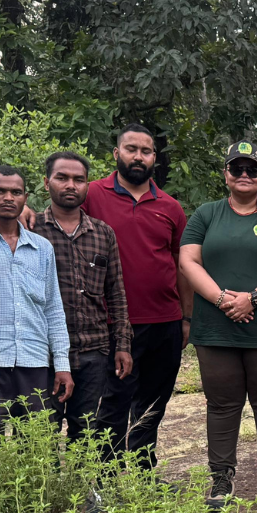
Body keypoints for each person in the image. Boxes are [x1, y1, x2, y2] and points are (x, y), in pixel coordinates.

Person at [179, 143, 257, 510]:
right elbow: (189, 261)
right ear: (226, 175)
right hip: (217, 330)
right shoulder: (206, 215)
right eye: (237, 169)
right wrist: (223, 300)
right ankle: (221, 478)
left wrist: (251, 299)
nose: (244, 175)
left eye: (252, 170)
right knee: (221, 405)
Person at [83, 125, 190, 467]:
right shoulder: (92, 195)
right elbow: (58, 219)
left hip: (165, 321)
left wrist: (186, 318)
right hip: (112, 323)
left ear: (154, 159)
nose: (138, 156)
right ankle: (107, 475)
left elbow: (182, 263)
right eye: (131, 149)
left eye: (146, 151)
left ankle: (143, 474)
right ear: (117, 154)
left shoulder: (170, 207)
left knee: (153, 402)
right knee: (113, 402)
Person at [0, 166, 74, 424]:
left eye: (16, 192)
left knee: (37, 446)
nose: (9, 197)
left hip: (36, 360)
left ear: (25, 198)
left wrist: (62, 363)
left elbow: (53, 307)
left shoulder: (42, 248)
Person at [28, 151, 133, 443]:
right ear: (46, 182)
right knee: (41, 433)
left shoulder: (102, 234)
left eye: (79, 179)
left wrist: (123, 345)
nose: (71, 185)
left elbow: (116, 292)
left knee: (85, 431)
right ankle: (45, 490)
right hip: (42, 354)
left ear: (87, 186)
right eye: (62, 178)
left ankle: (83, 489)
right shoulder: (29, 229)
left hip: (93, 350)